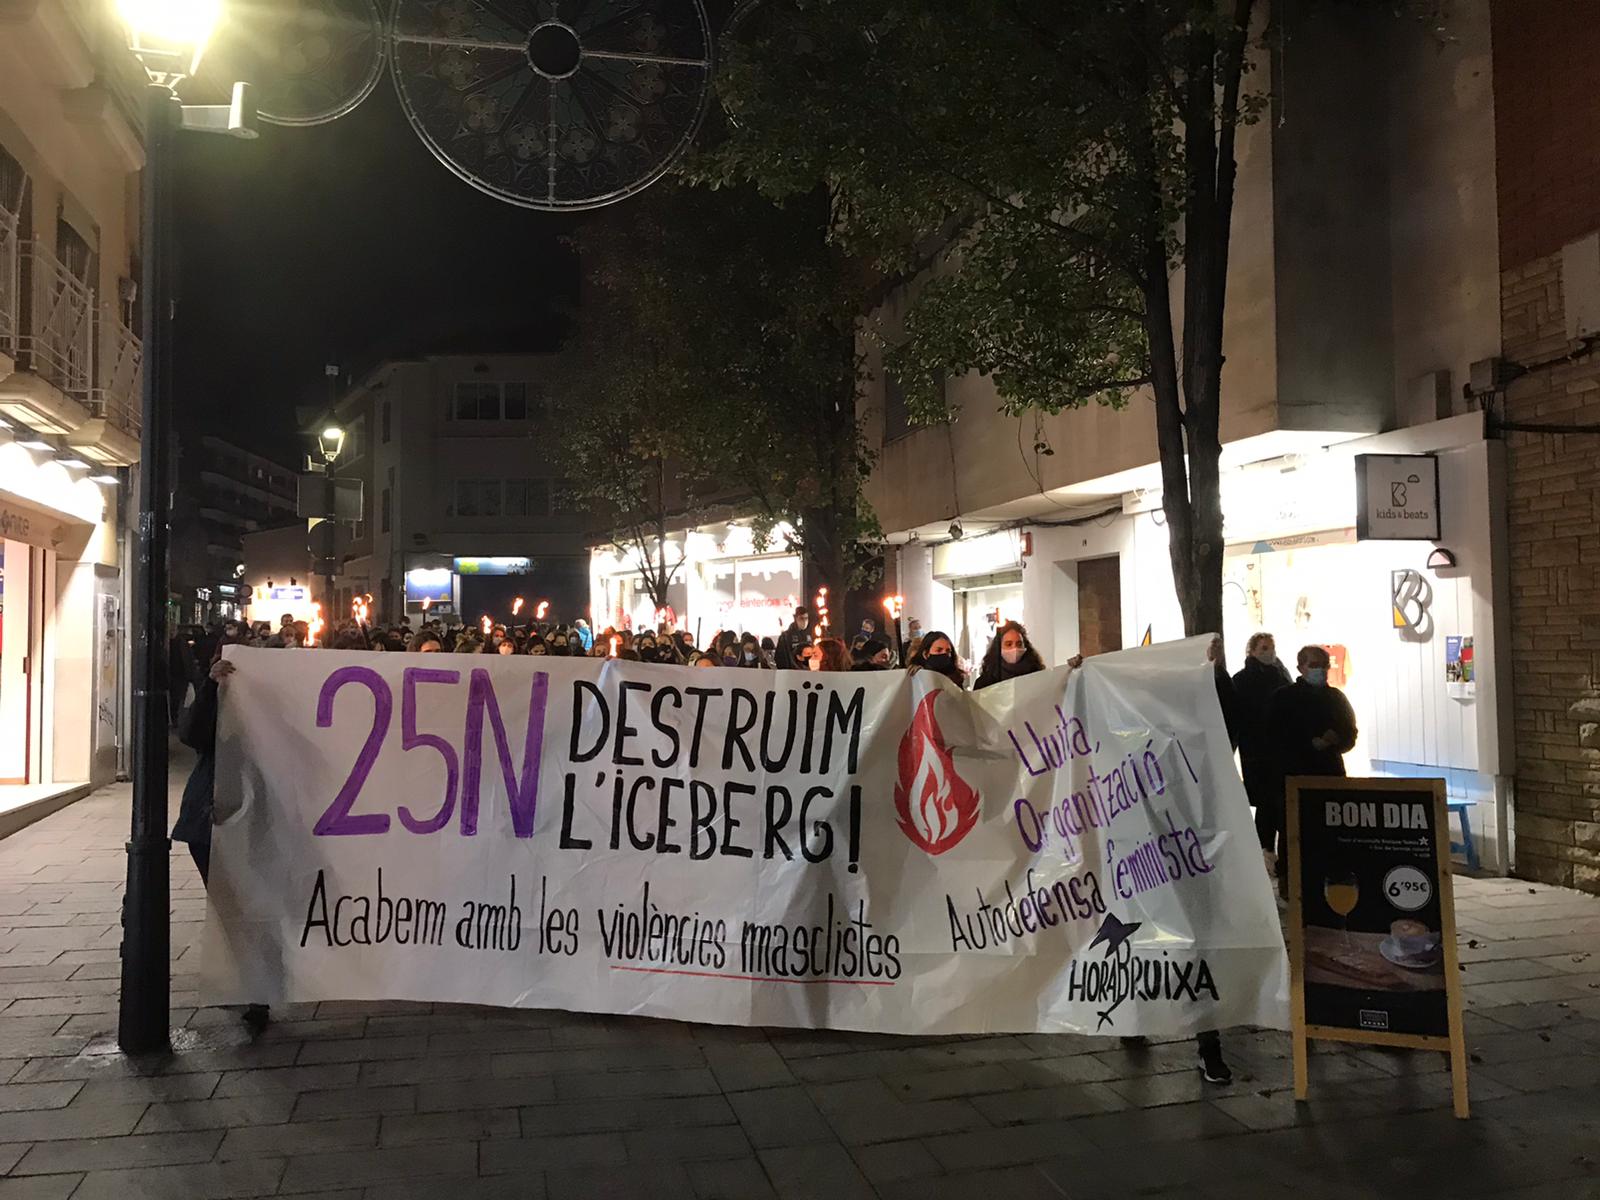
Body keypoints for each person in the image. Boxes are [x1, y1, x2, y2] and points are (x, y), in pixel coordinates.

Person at [171, 632, 269, 1034]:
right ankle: (245, 981)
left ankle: (257, 984)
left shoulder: (274, 705)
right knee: (229, 903)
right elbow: (192, 735)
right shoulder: (213, 691)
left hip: (258, 814)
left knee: (253, 902)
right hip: (210, 815)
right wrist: (211, 687)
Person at [1232, 633, 1293, 879]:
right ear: (1252, 651)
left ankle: (1270, 852)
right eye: (1264, 647)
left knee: (1275, 804)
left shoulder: (1280, 675)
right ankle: (1266, 851)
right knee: (1267, 803)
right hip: (1257, 752)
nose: (1270, 652)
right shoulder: (1243, 680)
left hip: (1278, 751)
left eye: (1272, 647)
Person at [1271, 644, 1359, 780]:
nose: (1321, 669)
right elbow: (1275, 736)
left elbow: (1350, 733)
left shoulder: (1337, 698)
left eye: (1325, 665)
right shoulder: (1284, 697)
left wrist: (1338, 739)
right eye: (1314, 665)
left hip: (1331, 773)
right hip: (1295, 775)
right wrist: (1309, 744)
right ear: (1300, 668)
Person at [974, 621, 1045, 690]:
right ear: (998, 648)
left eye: (1019, 644)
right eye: (1008, 644)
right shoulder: (984, 683)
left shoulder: (1038, 676)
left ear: (1025, 646)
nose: (1015, 648)